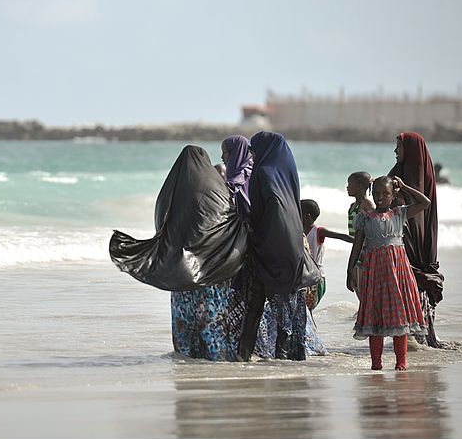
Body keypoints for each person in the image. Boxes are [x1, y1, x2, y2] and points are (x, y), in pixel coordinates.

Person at [109, 144, 249, 360]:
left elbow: (162, 227)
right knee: (210, 316)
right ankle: (216, 357)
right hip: (212, 269)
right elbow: (227, 225)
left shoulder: (169, 195)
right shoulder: (217, 190)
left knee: (186, 316)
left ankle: (186, 356)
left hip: (181, 269)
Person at [238, 131, 319, 361]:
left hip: (267, 250)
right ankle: (292, 359)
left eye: (254, 150)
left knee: (256, 307)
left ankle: (244, 357)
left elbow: (271, 208)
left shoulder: (262, 173)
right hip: (290, 250)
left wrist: (255, 233)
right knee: (288, 310)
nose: (251, 155)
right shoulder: (287, 175)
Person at [347, 175, 429, 370]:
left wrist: (405, 186)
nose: (380, 197)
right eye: (376, 193)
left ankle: (401, 362)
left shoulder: (399, 214)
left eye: (386, 193)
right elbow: (357, 247)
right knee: (375, 316)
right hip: (374, 273)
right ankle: (376, 363)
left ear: (393, 195)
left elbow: (424, 202)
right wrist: (350, 271)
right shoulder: (365, 218)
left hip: (398, 271)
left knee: (399, 316)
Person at [388, 132, 445, 348]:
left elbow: (424, 210)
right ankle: (406, 337)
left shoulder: (423, 176)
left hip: (419, 241)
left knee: (417, 282)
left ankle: (421, 336)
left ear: (410, 151)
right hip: (400, 239)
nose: (395, 151)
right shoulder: (396, 173)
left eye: (399, 148)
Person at [301, 198, 353, 310]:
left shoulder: (318, 232)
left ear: (307, 216)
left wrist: (359, 241)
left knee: (307, 310)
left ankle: (312, 328)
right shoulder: (299, 232)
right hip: (305, 278)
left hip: (316, 279)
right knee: (304, 311)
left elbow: (341, 236)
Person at [346, 171, 375, 296]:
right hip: (356, 248)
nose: (347, 187)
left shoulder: (366, 204)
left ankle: (366, 312)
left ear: (359, 186)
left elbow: (375, 226)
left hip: (365, 251)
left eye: (349, 184)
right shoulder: (353, 205)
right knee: (356, 283)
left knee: (362, 283)